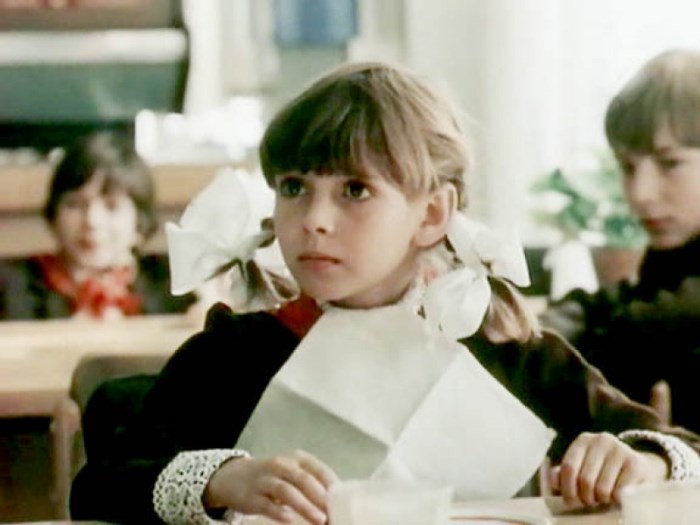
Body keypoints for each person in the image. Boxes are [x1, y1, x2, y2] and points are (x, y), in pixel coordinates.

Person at [70, 62, 700, 525]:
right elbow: (98, 488)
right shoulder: (234, 353)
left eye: (355, 191)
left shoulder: (509, 352)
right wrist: (224, 480)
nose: (314, 220)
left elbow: (686, 454)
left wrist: (641, 461)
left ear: (432, 214)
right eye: (294, 187)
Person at [541, 49, 700, 434]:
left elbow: (628, 338)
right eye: (628, 167)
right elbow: (622, 306)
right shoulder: (674, 257)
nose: (640, 193)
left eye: (670, 163)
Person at [0, 131, 195, 320]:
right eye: (75, 204)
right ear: (54, 215)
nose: (91, 221)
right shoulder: (10, 286)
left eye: (111, 206)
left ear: (139, 222)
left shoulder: (175, 282)